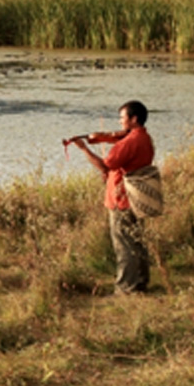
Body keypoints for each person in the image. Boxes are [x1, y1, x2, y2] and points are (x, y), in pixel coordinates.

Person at [65, 100, 155, 294]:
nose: (120, 122)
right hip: (136, 197)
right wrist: (103, 139)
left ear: (134, 119)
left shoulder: (130, 141)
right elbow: (123, 141)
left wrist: (84, 148)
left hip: (122, 198)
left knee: (124, 245)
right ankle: (140, 282)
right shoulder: (143, 137)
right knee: (137, 242)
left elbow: (105, 166)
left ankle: (126, 287)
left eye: (123, 118)